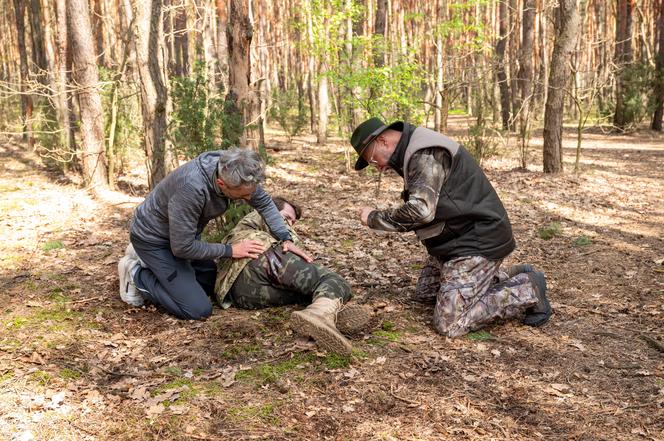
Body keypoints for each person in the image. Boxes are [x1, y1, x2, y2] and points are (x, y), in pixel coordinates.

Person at [350, 118, 551, 338]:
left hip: (476, 240)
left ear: (383, 141)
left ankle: (527, 288)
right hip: (452, 241)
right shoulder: (411, 150)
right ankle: (504, 276)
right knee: (426, 294)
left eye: (371, 159)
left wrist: (374, 218)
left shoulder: (423, 154)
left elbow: (421, 211)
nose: (377, 166)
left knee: (449, 322)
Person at [117, 148, 310, 320]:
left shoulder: (237, 170)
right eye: (243, 196)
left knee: (211, 283)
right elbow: (182, 247)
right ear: (221, 183)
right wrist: (230, 250)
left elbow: (265, 203)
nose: (249, 198)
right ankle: (136, 273)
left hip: (182, 236)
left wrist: (285, 237)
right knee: (196, 309)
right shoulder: (191, 189)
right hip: (154, 239)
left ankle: (154, 264)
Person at [214, 196, 370, 355]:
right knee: (333, 281)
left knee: (306, 294)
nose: (289, 224)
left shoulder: (237, 234)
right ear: (272, 211)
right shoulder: (265, 217)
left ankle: (330, 317)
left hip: (239, 295)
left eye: (293, 222)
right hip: (263, 257)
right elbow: (291, 242)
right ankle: (321, 314)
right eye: (286, 218)